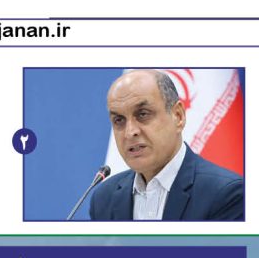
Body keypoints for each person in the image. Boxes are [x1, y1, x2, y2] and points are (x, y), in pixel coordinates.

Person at [88, 70, 245, 222]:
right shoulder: (104, 199)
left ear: (178, 116)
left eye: (143, 114)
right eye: (119, 120)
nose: (130, 132)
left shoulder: (225, 194)